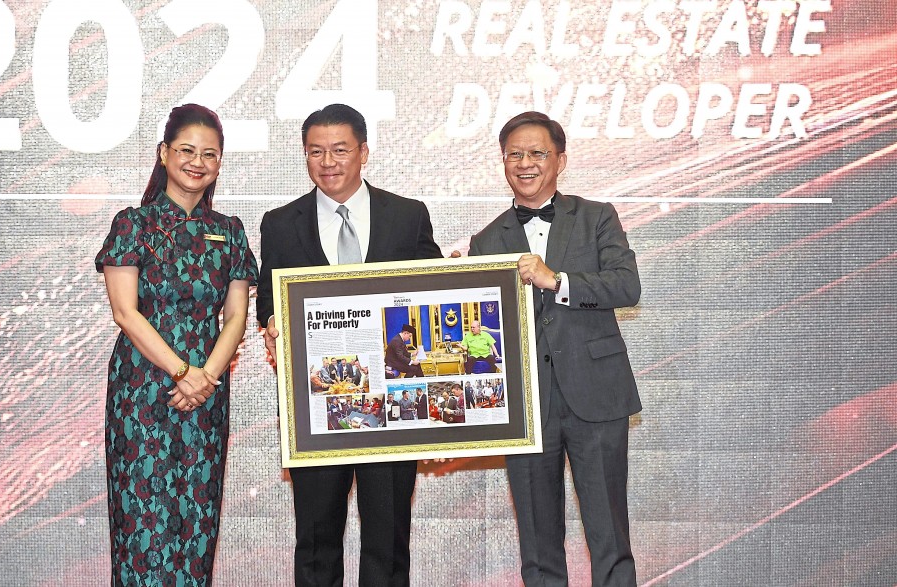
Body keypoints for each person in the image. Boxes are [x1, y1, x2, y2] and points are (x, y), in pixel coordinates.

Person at [256, 103, 443, 586]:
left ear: (364, 151)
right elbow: (267, 301)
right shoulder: (280, 223)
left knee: (388, 537)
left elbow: (435, 297)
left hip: (393, 407)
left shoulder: (406, 215)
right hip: (317, 406)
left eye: (340, 149)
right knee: (316, 539)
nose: (328, 162)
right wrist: (275, 321)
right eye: (315, 152)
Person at [468, 111, 641, 586]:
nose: (525, 163)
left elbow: (627, 285)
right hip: (524, 407)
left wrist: (557, 280)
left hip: (596, 395)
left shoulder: (596, 216)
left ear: (560, 160)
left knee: (610, 535)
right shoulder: (486, 239)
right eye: (514, 155)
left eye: (537, 153)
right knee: (538, 543)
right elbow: (481, 335)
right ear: (503, 162)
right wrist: (458, 290)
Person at [95, 104, 257, 586]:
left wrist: (205, 376)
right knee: (141, 526)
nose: (197, 161)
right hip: (144, 393)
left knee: (196, 524)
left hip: (207, 394)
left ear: (220, 163)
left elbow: (237, 316)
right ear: (164, 153)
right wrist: (183, 373)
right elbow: (126, 312)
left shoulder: (229, 232)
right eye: (187, 150)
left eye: (210, 153)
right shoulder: (133, 224)